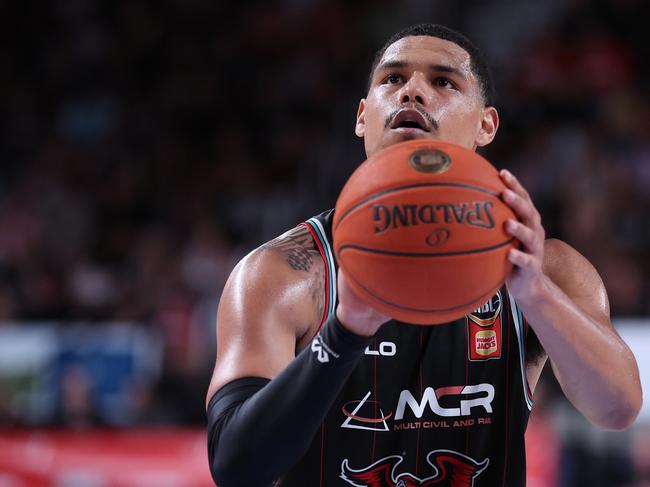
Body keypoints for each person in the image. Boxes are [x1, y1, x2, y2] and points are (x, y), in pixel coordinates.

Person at [205, 24, 642, 486]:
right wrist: (346, 331)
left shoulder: (545, 269)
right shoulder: (282, 273)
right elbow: (237, 468)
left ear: (486, 124)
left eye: (443, 81)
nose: (412, 91)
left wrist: (535, 294)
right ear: (361, 117)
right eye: (392, 79)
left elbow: (617, 409)